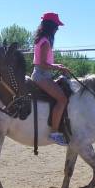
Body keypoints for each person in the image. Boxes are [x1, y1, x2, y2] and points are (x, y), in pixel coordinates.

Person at [31, 12, 70, 146]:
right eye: (56, 26)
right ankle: (54, 132)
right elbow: (42, 63)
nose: (57, 28)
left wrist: (57, 65)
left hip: (42, 74)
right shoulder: (46, 42)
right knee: (62, 99)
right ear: (51, 26)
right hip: (41, 75)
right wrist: (58, 68)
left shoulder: (41, 39)